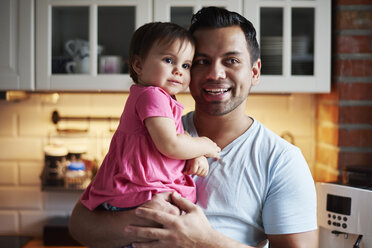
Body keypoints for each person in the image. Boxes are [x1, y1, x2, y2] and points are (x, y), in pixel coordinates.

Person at [69, 7, 318, 248]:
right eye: (201, 62)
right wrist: (147, 220)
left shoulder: (282, 160)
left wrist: (203, 242)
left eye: (231, 60)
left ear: (254, 72)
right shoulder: (153, 131)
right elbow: (81, 223)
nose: (215, 73)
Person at [80, 22, 220, 215]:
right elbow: (170, 144)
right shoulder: (152, 95)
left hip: (141, 192)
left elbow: (176, 136)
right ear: (138, 65)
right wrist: (205, 145)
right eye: (169, 60)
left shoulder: (157, 97)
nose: (179, 70)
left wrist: (195, 153)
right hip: (139, 192)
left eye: (186, 65)